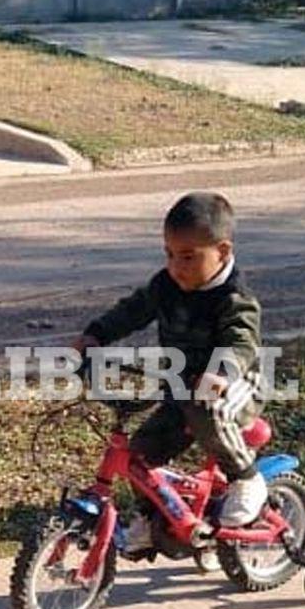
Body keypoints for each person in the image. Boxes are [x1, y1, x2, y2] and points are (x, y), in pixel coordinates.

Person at [73, 192, 267, 549]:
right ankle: (151, 518)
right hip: (184, 387)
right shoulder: (166, 285)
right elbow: (132, 310)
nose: (176, 266)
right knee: (140, 453)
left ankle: (248, 478)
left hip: (238, 385)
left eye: (189, 257)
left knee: (208, 409)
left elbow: (242, 341)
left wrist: (221, 373)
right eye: (170, 254)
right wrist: (96, 335)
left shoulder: (234, 298)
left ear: (222, 252)